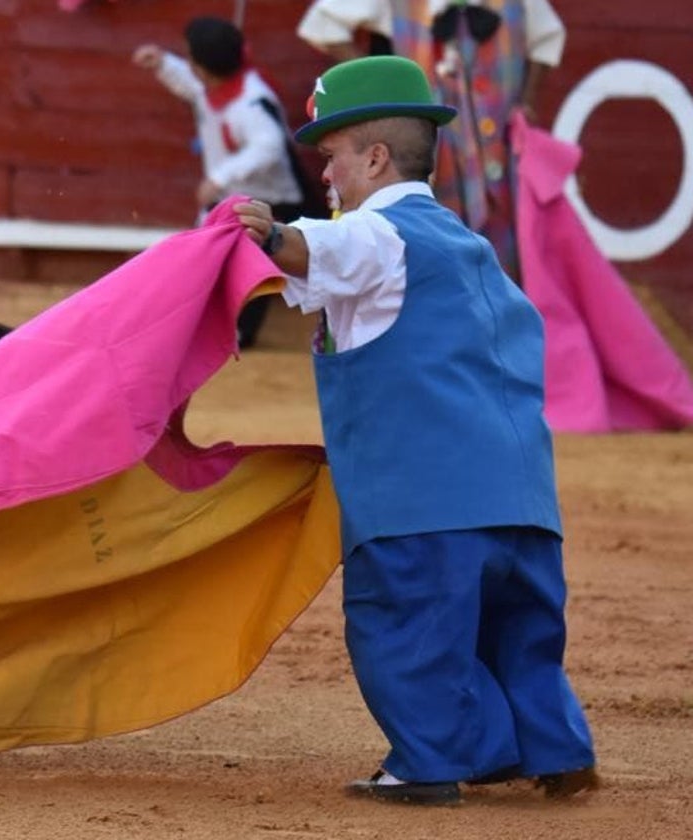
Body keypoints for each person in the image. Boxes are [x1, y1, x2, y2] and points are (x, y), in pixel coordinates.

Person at [232, 54, 598, 806]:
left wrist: (265, 232)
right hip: (525, 505)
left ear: (374, 156)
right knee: (518, 637)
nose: (325, 176)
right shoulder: (472, 251)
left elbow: (318, 251)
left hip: (422, 507)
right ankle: (555, 752)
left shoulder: (376, 237)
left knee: (407, 631)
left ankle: (425, 765)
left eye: (331, 157)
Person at [296, 0, 566, 283]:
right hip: (430, 135)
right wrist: (381, 84)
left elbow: (547, 38)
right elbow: (324, 25)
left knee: (507, 236)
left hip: (496, 138)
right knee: (427, 233)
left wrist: (526, 102)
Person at [133, 16, 325, 348]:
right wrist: (163, 64)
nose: (189, 65)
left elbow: (269, 147)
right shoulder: (219, 86)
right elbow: (194, 88)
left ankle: (235, 332)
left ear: (204, 68)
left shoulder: (252, 101)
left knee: (256, 263)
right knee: (207, 259)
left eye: (189, 58)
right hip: (235, 198)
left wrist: (221, 176)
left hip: (272, 200)